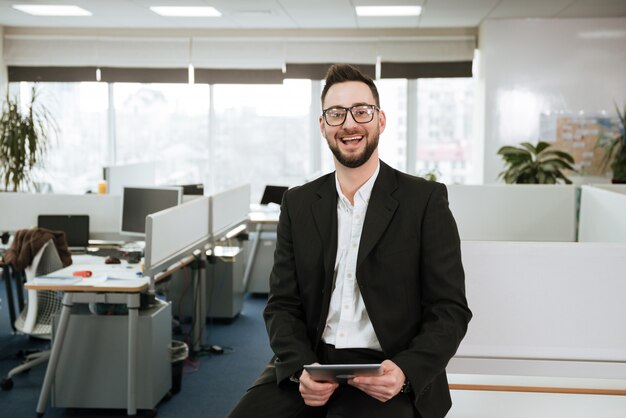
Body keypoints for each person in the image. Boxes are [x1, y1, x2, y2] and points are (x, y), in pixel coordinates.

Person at [229, 64, 471, 418]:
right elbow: (282, 304)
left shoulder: (424, 201)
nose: (349, 123)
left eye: (361, 111)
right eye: (336, 113)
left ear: (381, 120)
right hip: (312, 361)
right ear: (323, 125)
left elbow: (450, 309)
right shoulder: (298, 203)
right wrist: (300, 368)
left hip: (387, 366)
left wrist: (405, 371)